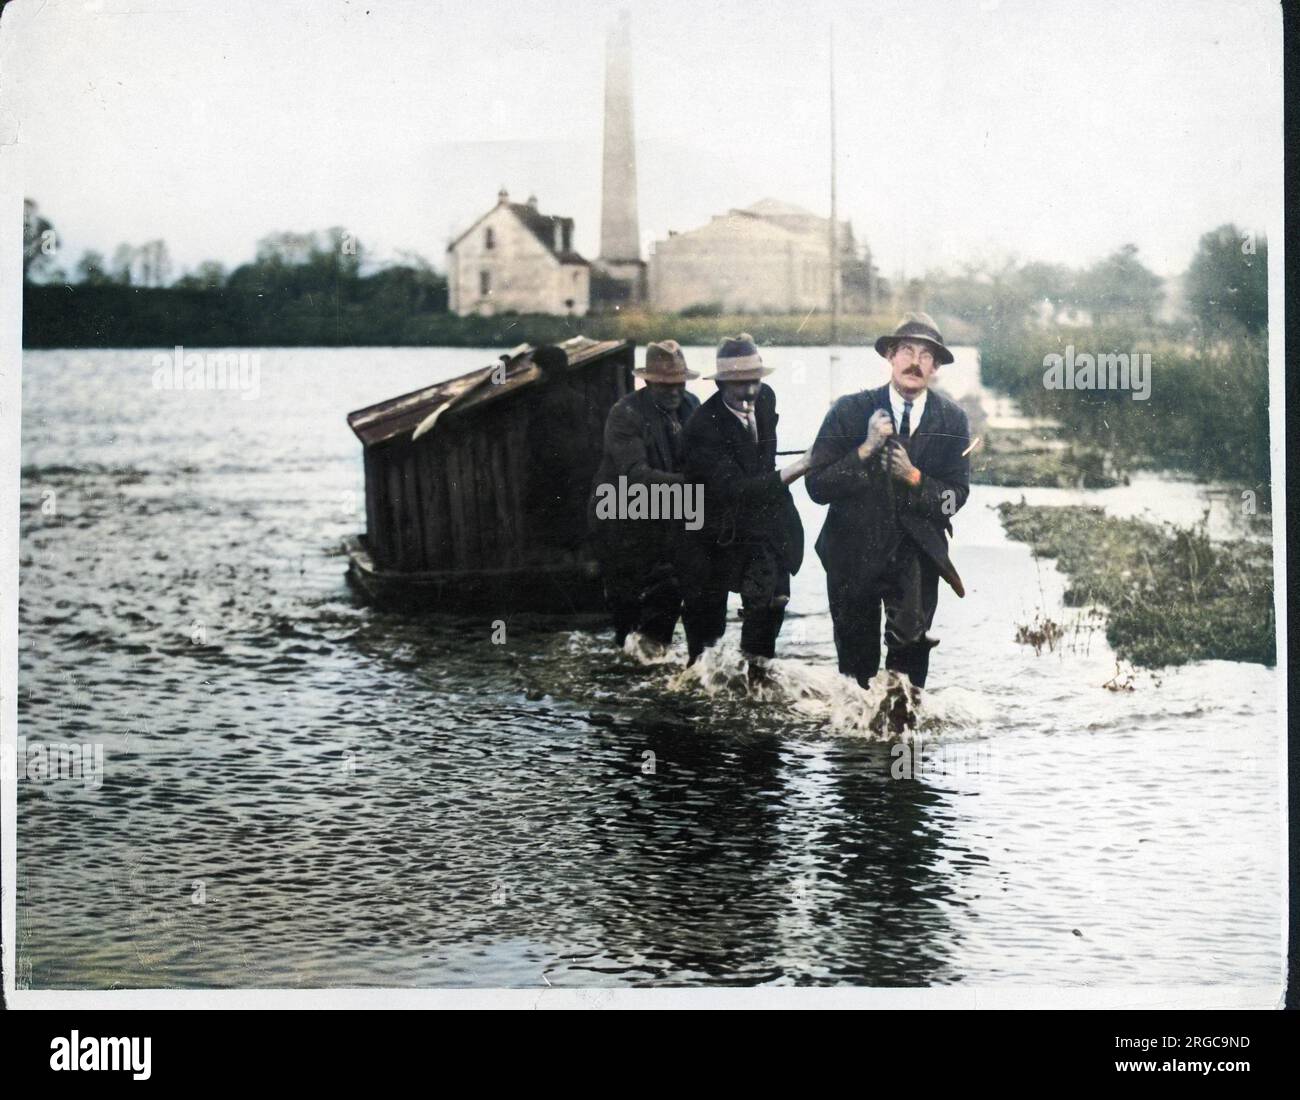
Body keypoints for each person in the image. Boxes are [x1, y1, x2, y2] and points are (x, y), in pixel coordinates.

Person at [805, 313, 970, 692]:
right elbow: (817, 487)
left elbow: (954, 499)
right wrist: (864, 450)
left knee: (910, 666)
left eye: (927, 356)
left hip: (916, 554)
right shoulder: (848, 411)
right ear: (890, 357)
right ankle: (857, 748)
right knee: (856, 673)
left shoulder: (953, 420)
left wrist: (914, 477)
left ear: (936, 366)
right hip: (852, 552)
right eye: (907, 351)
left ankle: (902, 739)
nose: (916, 362)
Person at [680, 334, 811, 683]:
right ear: (721, 384)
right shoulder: (700, 427)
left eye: (754, 381)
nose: (749, 392)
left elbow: (761, 463)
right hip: (707, 532)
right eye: (739, 385)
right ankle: (698, 690)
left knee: (769, 606)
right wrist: (798, 467)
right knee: (705, 637)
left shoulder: (766, 398)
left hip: (759, 524)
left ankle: (758, 680)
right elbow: (734, 489)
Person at [587, 340, 702, 650]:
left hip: (668, 512)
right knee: (628, 605)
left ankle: (654, 656)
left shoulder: (692, 407)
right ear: (648, 382)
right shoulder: (624, 414)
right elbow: (635, 475)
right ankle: (629, 659)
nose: (675, 391)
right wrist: (694, 483)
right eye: (665, 386)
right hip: (622, 515)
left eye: (679, 383)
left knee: (669, 593)